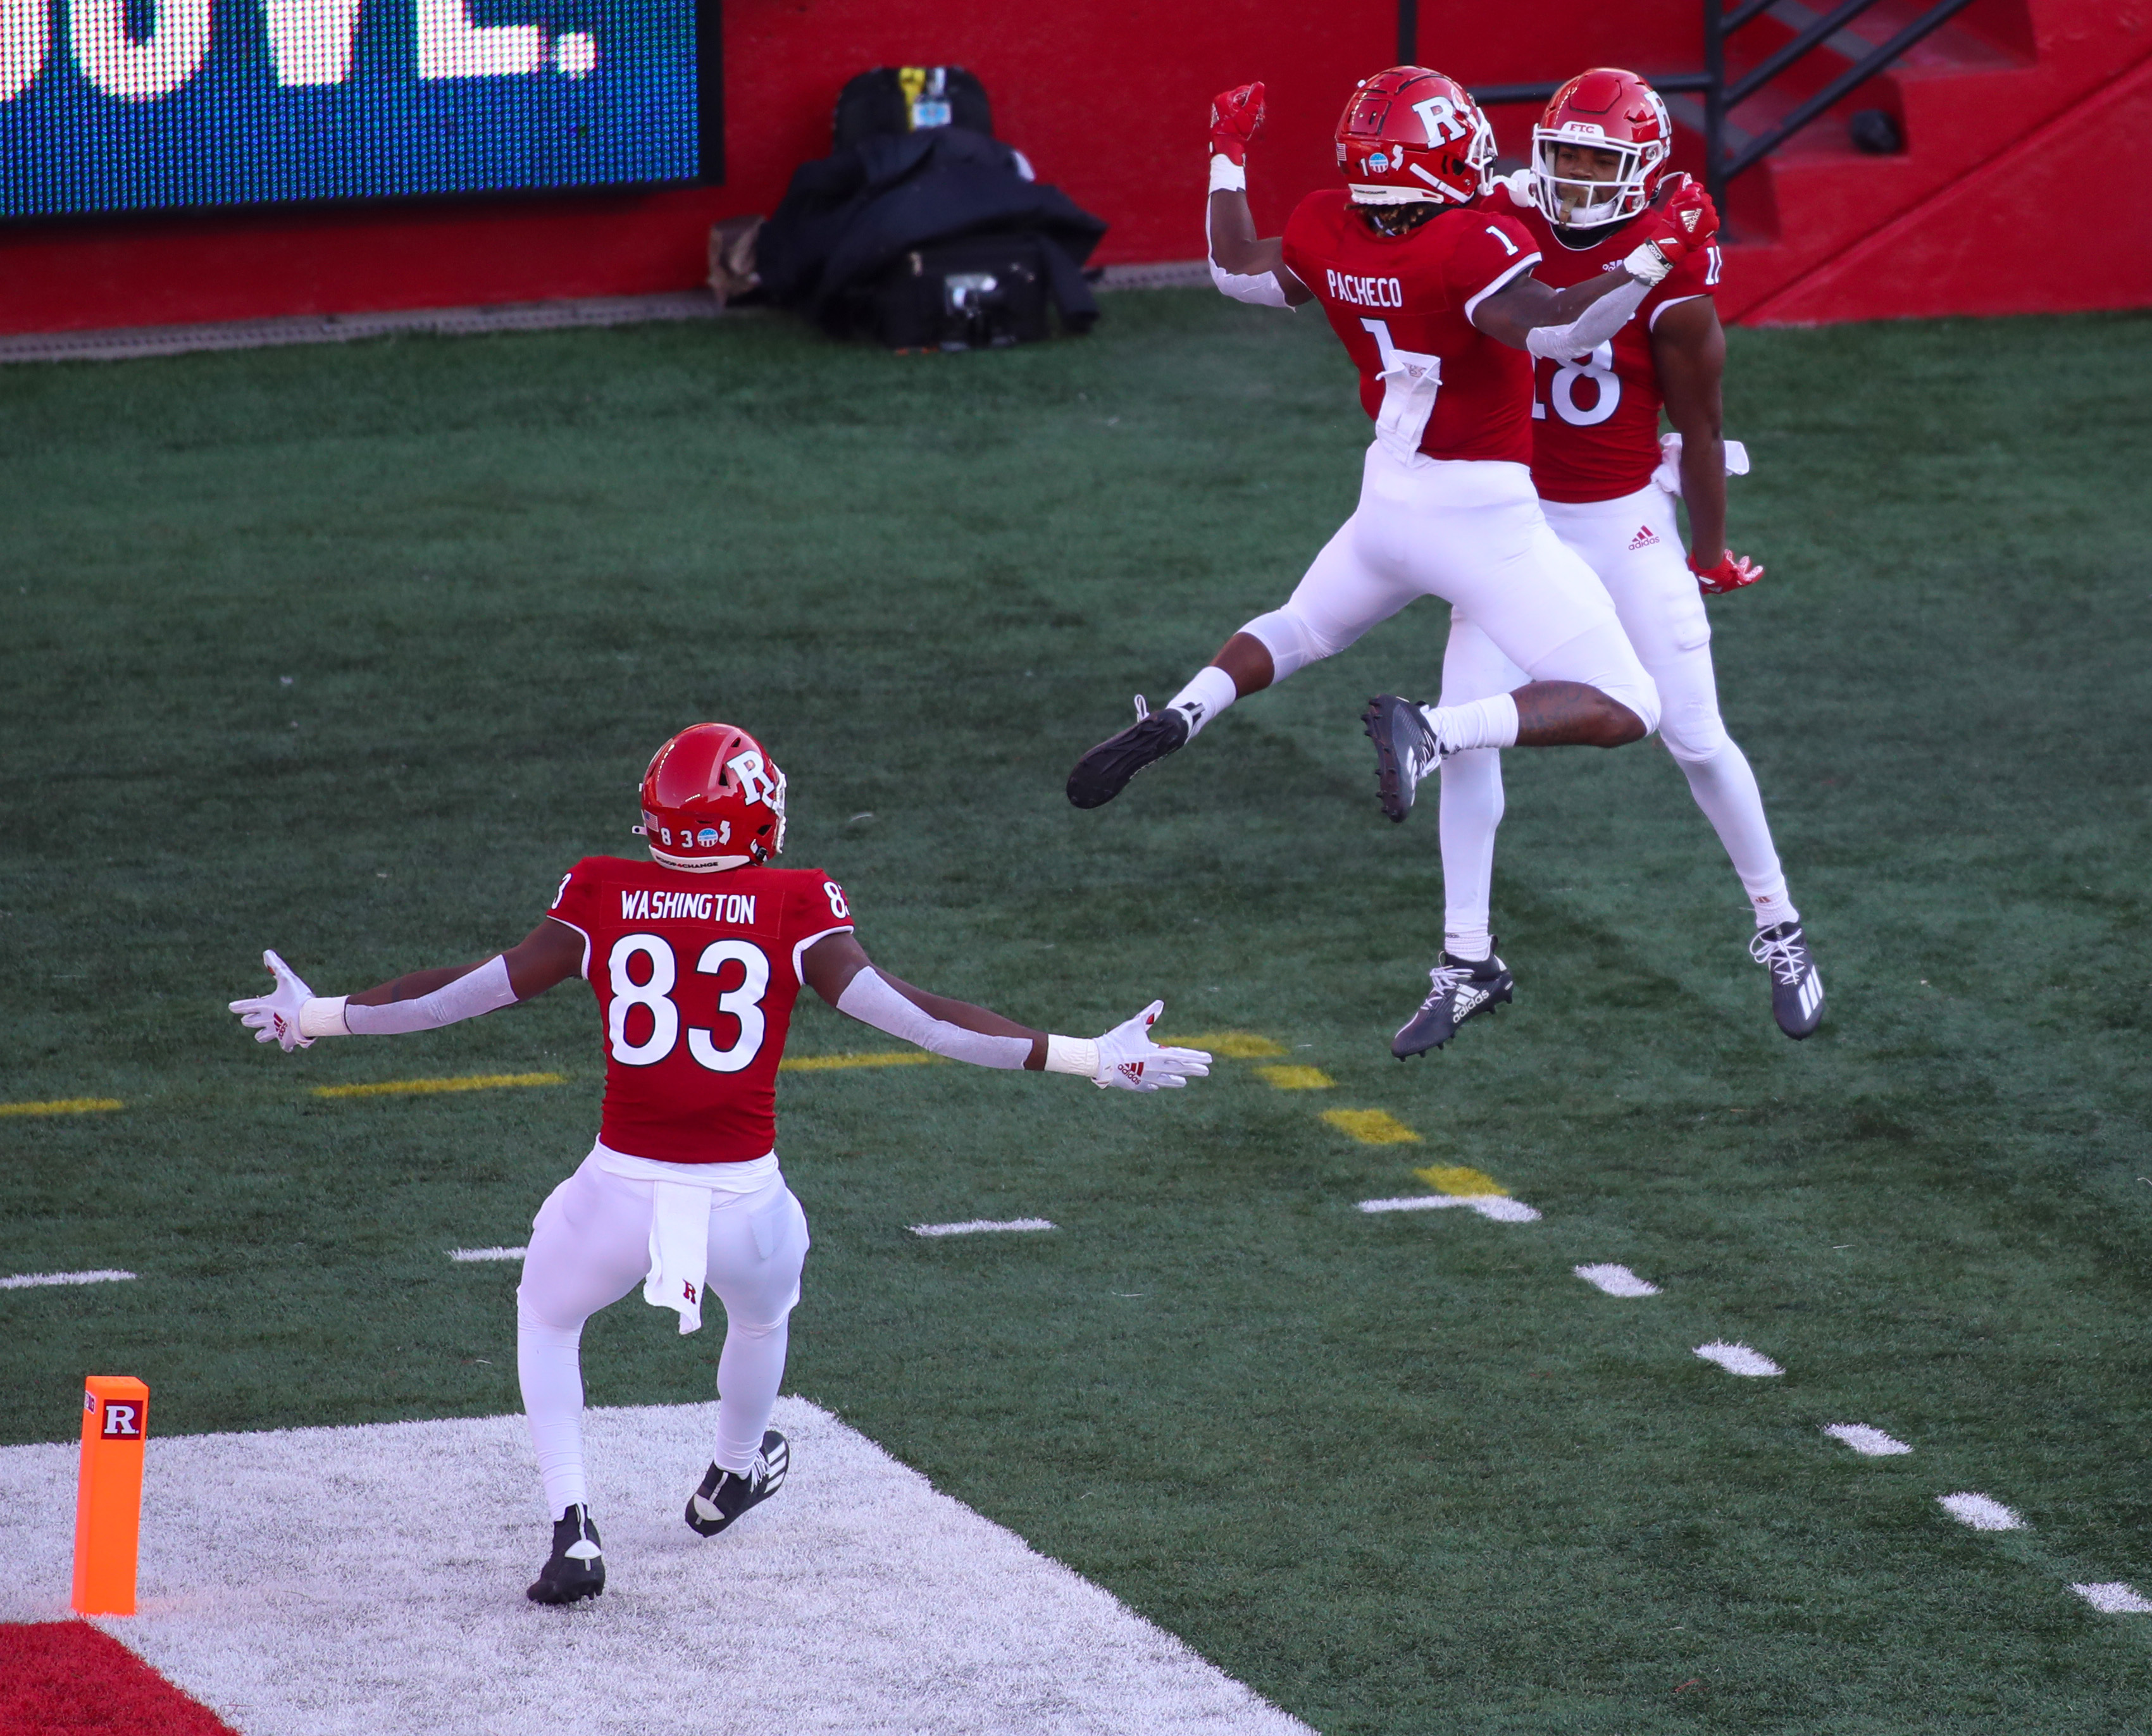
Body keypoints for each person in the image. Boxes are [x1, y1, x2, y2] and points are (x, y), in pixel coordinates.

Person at [230, 722, 1210, 1606]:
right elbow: (924, 1021)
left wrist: (318, 1015)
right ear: (754, 812)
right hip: (746, 1202)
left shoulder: (602, 890)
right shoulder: (794, 903)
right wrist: (1086, 1056)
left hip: (617, 1192)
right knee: (764, 1311)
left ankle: (574, 1529)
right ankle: (731, 1470)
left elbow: (468, 994)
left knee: (547, 1314)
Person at [1064, 70, 1715, 895]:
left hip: (1386, 501)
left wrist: (1227, 150)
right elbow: (1558, 332)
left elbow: (1233, 269)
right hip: (1480, 516)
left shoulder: (1323, 225)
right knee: (1633, 706)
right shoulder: (1471, 246)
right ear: (1435, 161)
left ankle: (1182, 713)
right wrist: (1657, 255)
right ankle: (1434, 729)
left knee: (1299, 626)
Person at [1389, 68, 1819, 1045]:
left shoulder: (1675, 288)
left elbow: (1702, 432)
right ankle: (1464, 958)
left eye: (1599, 159)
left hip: (1620, 521)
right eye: (1565, 155)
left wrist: (1708, 551)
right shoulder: (1497, 218)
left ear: (1643, 170)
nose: (1576, 175)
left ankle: (1778, 923)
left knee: (1697, 736)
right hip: (1508, 524)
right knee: (1463, 739)